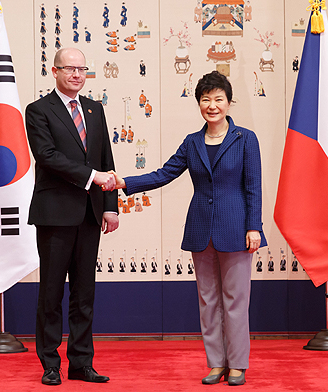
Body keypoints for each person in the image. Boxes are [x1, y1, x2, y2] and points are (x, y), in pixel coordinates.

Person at [111, 71, 266, 386]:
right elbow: (165, 173)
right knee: (208, 299)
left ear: (228, 101)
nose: (212, 105)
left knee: (236, 299)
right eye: (206, 99)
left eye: (218, 99)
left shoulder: (245, 138)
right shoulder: (192, 142)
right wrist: (126, 182)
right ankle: (215, 363)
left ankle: (237, 364)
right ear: (199, 103)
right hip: (200, 229)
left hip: (236, 229)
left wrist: (254, 227)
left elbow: (253, 187)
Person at [25, 47, 119, 386]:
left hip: (91, 214)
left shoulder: (94, 109)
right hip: (55, 214)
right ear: (54, 70)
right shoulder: (38, 110)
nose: (77, 74)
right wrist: (91, 176)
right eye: (70, 68)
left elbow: (106, 157)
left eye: (82, 69)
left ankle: (81, 363)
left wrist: (110, 206)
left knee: (84, 294)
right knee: (51, 295)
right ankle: (50, 364)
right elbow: (47, 156)